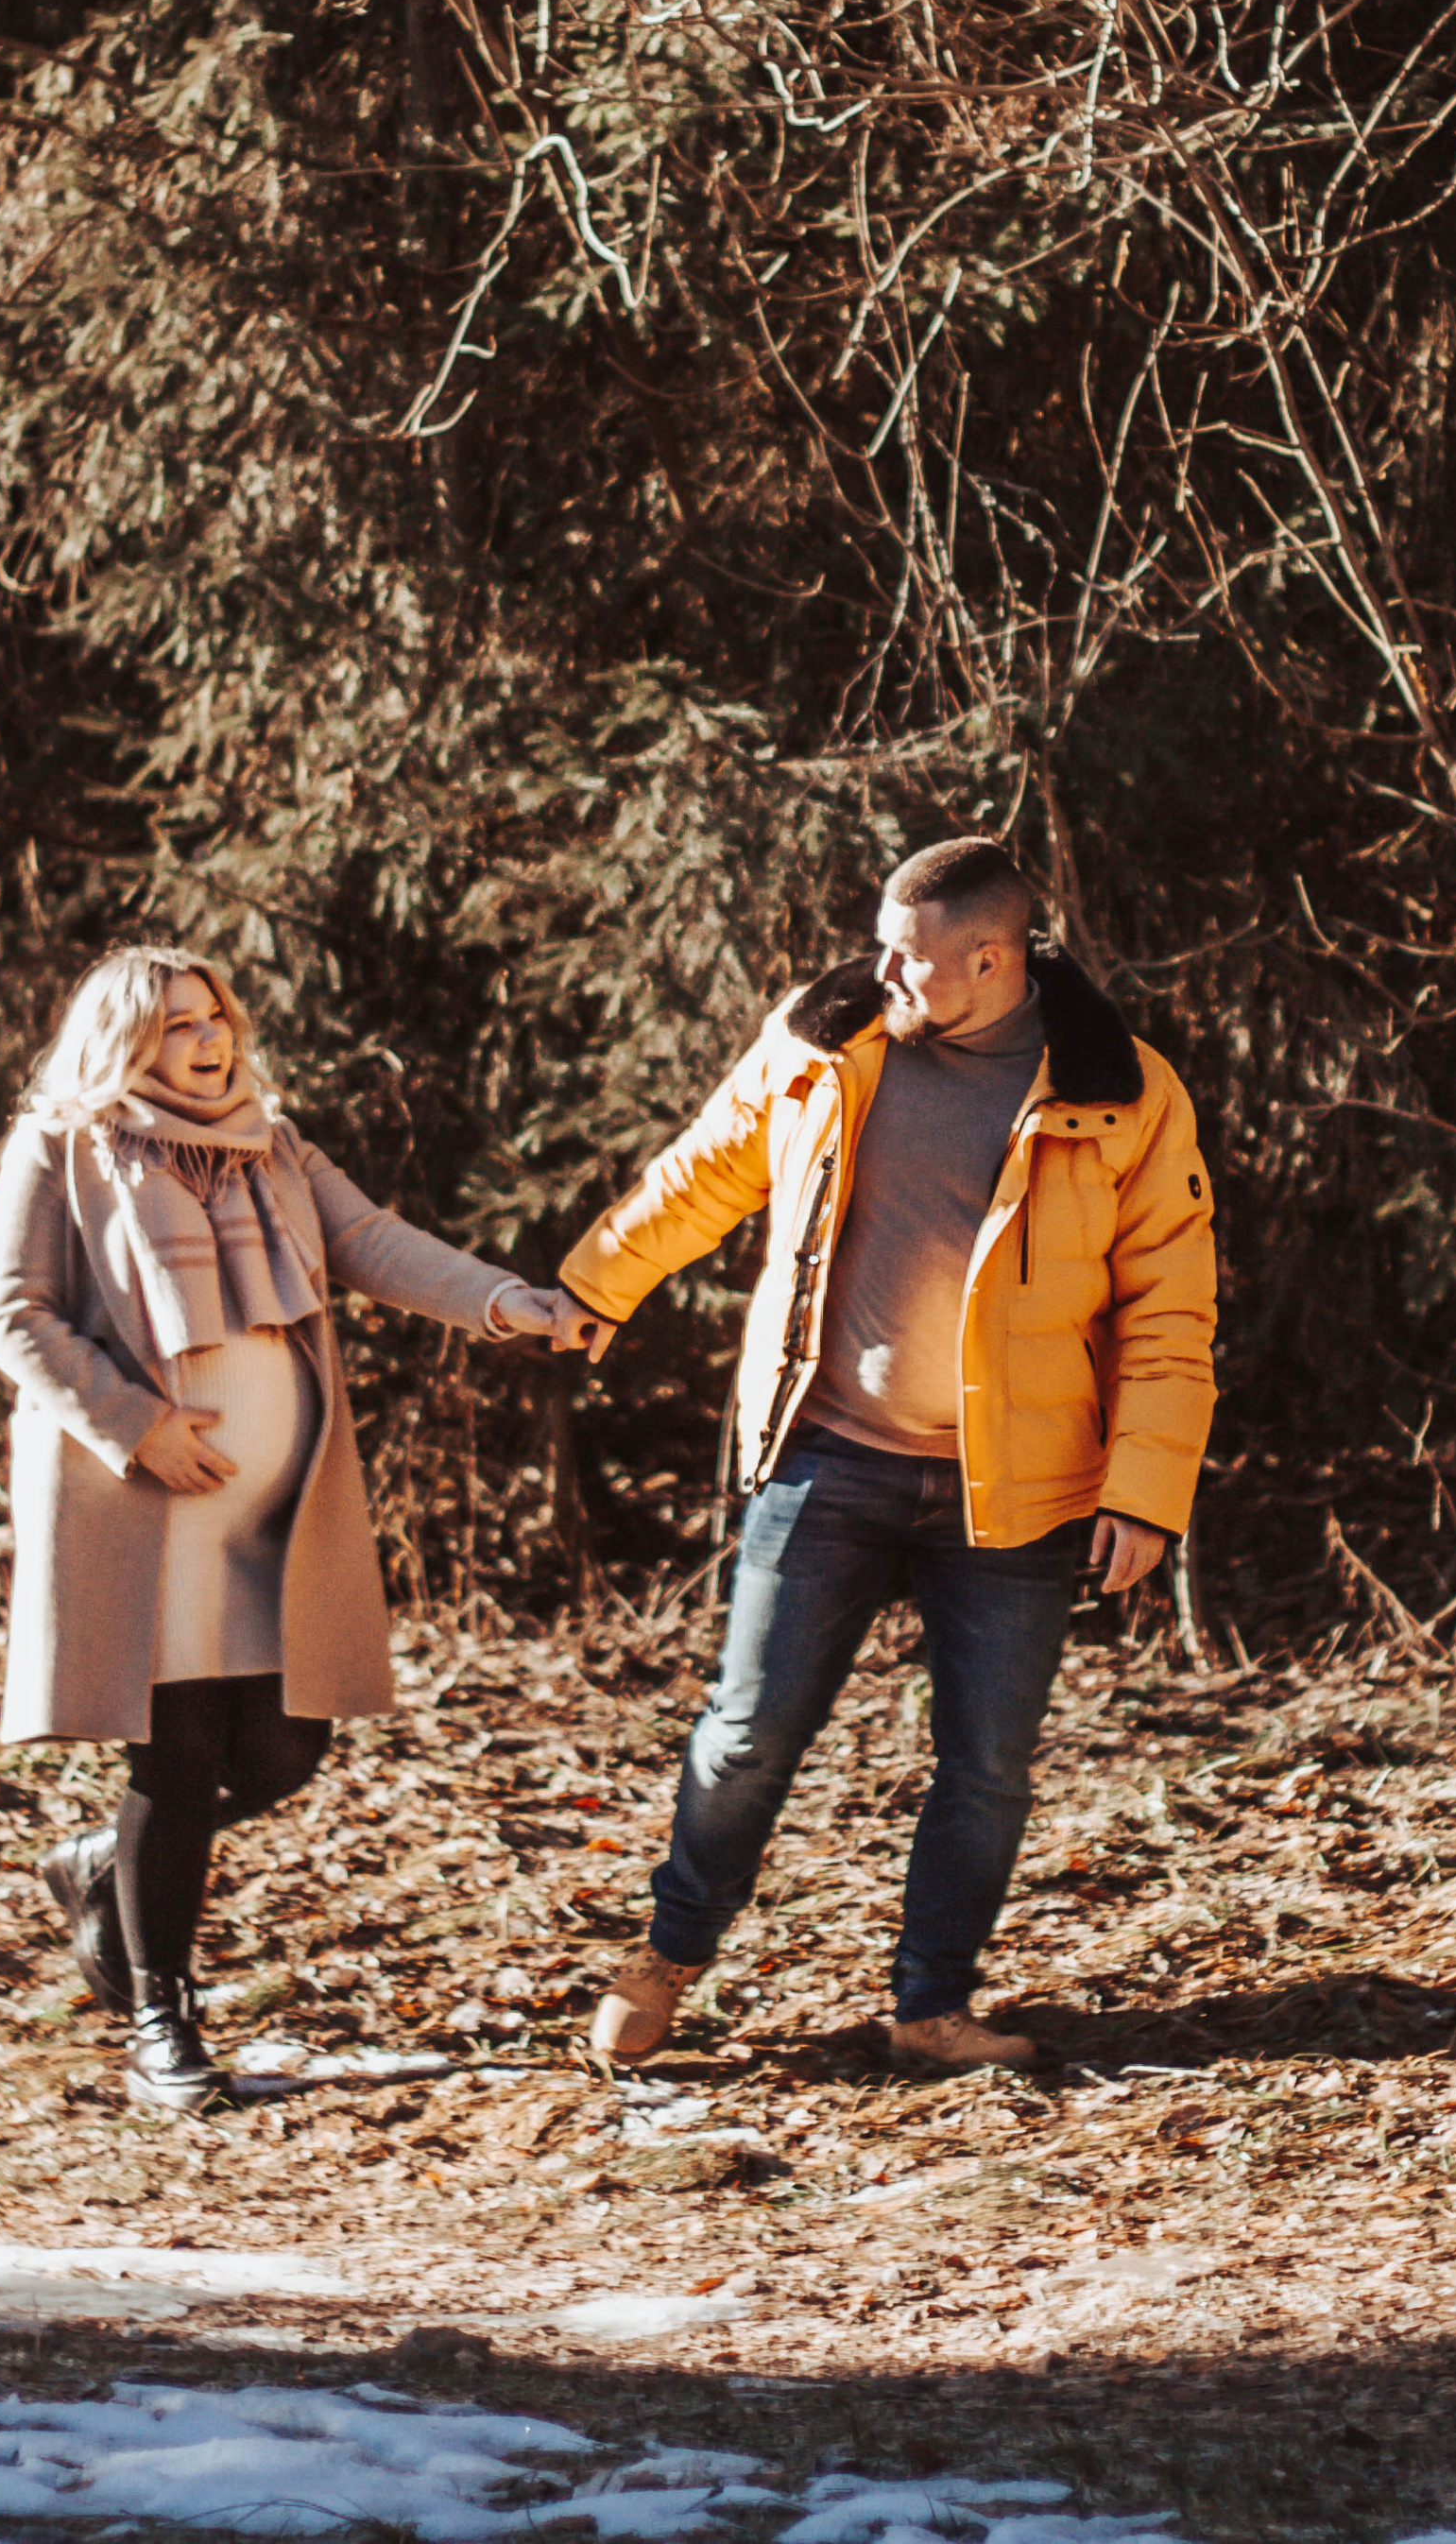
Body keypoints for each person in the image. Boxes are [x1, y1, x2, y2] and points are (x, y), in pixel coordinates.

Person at [540, 834, 1218, 2072]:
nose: (885, 975)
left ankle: (931, 2008)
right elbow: (704, 1172)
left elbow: (1168, 1307)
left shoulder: (1122, 1090)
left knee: (987, 1767)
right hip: (829, 1457)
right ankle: (668, 1955)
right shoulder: (824, 1045)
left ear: (995, 959)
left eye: (912, 959)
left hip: (1018, 1489)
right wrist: (598, 1284)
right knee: (746, 1733)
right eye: (881, 948)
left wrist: (1145, 1493)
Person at [0, 943, 564, 2110]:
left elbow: (373, 1242)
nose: (208, 1040)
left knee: (290, 1749)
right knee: (179, 1755)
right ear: (123, 1042)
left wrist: (504, 1302)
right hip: (149, 1507)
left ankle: (107, 1866)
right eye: (177, 1025)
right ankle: (163, 2020)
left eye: (215, 1017)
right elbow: (14, 1312)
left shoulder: (274, 1144)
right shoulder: (63, 1145)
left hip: (278, 1517)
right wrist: (137, 1426)